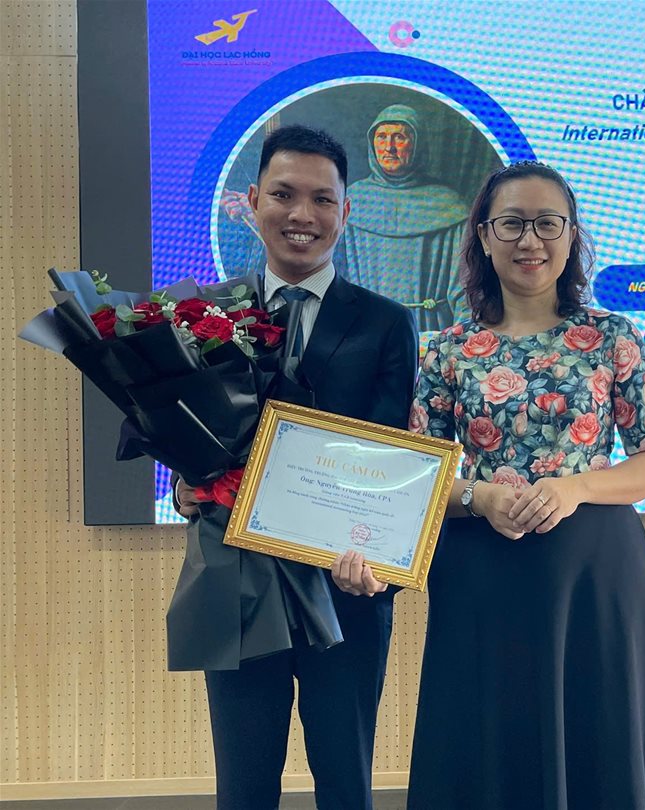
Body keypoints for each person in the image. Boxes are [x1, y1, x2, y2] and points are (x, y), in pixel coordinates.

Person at [404, 161, 645, 809]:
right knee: (487, 741)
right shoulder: (446, 350)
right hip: (482, 572)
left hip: (596, 574)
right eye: (511, 224)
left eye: (547, 223)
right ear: (482, 236)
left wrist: (576, 488)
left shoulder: (611, 336)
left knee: (601, 739)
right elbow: (418, 473)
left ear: (571, 235)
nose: (529, 240)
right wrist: (480, 496)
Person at [175, 125, 418, 810]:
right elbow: (189, 434)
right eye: (283, 195)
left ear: (346, 211)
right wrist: (187, 483)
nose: (301, 215)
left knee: (345, 780)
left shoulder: (385, 323)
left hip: (345, 580)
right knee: (243, 783)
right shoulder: (203, 316)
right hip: (237, 576)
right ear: (253, 201)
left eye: (321, 199)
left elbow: (390, 451)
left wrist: (377, 553)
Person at [340, 103, 470, 330]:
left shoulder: (448, 206)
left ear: (418, 144)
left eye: (399, 137)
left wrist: (457, 338)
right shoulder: (353, 201)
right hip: (365, 329)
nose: (389, 148)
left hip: (428, 331)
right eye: (381, 137)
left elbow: (465, 288)